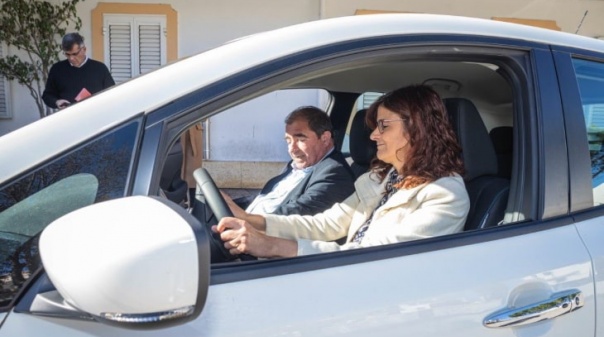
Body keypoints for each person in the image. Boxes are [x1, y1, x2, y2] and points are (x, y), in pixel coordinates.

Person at [215, 84, 470, 258]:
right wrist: (252, 221)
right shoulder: (382, 177)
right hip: (348, 272)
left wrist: (272, 246)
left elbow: (375, 255)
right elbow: (326, 224)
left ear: (417, 129)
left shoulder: (445, 194)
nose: (373, 135)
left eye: (383, 126)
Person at [225, 106, 355, 216]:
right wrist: (229, 204)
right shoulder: (296, 166)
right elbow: (267, 199)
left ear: (325, 138)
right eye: (288, 140)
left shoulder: (335, 174)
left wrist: (244, 218)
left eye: (300, 139)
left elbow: (297, 213)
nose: (292, 149)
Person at [42, 32, 115, 110]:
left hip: (95, 116)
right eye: (67, 54)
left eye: (74, 54)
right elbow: (47, 95)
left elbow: (112, 94)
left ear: (84, 49)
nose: (71, 58)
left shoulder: (100, 68)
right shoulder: (57, 69)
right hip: (68, 118)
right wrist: (56, 102)